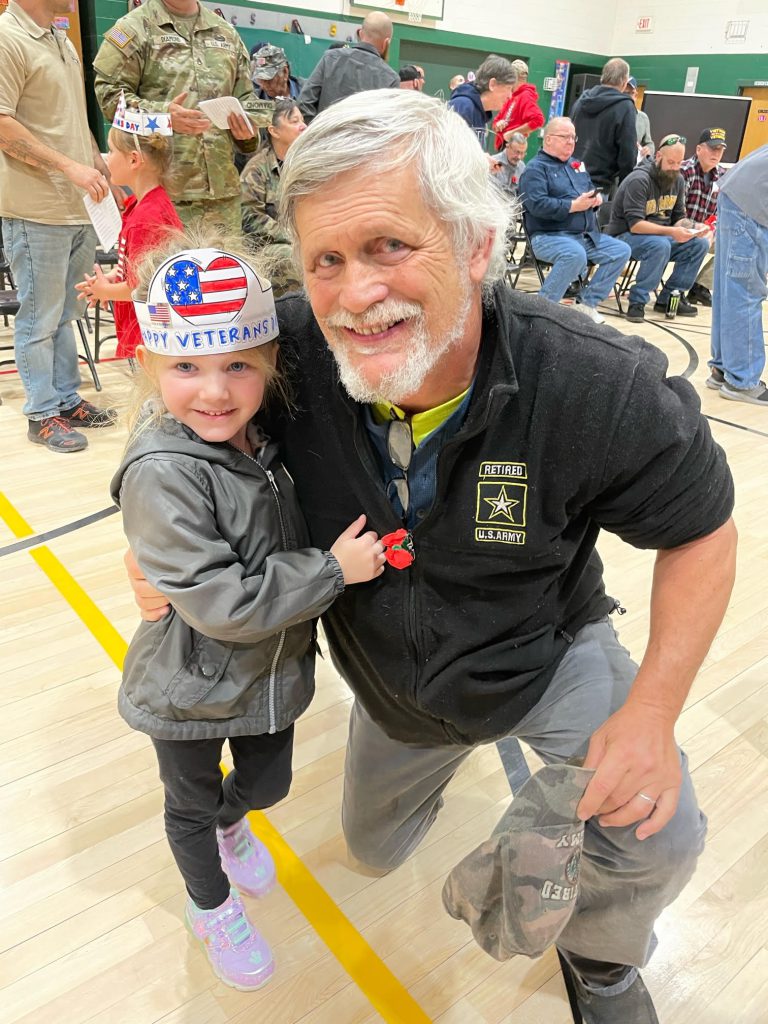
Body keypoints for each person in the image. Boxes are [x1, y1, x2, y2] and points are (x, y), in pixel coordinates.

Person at [127, 90, 737, 1024]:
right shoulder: (287, 354)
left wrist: (653, 711)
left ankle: (605, 963)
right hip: (392, 684)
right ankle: (465, 759)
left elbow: (703, 529)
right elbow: (181, 414)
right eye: (326, 259)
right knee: (372, 851)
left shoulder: (590, 381)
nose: (355, 293)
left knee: (659, 828)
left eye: (389, 247)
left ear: (477, 246)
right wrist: (149, 545)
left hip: (545, 653)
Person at [114, 238, 386, 990]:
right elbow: (222, 600)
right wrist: (333, 570)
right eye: (186, 367)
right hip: (190, 687)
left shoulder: (264, 437)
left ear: (268, 364)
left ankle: (238, 821)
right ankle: (211, 905)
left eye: (237, 364)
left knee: (265, 789)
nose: (214, 391)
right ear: (151, 367)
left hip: (267, 673)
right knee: (190, 806)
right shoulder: (163, 470)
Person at [0, 0, 117, 453]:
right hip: (35, 207)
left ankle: (67, 400)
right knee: (40, 317)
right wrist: (69, 167)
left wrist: (96, 165)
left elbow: (74, 118)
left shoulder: (59, 38)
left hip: (79, 205)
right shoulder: (8, 37)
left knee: (69, 313)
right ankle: (42, 413)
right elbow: (3, 126)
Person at [93, 0, 273, 236]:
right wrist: (163, 117)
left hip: (222, 196)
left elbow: (245, 98)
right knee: (163, 271)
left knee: (225, 273)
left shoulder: (225, 33)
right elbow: (108, 95)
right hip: (164, 195)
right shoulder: (133, 28)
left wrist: (247, 135)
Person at [74, 97, 182, 359]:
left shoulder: (149, 217)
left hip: (152, 331)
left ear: (134, 160)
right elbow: (138, 271)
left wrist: (105, 291)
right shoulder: (142, 206)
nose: (106, 158)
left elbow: (143, 286)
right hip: (146, 329)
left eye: (111, 151)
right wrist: (113, 279)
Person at [520, 117, 631, 324]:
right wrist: (573, 206)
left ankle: (586, 305)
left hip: (583, 235)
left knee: (621, 251)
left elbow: (587, 192)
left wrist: (594, 200)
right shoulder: (535, 169)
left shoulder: (576, 165)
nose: (571, 142)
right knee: (574, 254)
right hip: (548, 236)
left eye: (573, 137)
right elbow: (537, 206)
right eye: (565, 137)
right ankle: (542, 311)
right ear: (549, 139)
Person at [605, 134, 712, 323]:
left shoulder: (677, 180)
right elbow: (636, 225)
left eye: (679, 163)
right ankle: (637, 301)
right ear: (658, 157)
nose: (674, 168)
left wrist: (694, 228)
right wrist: (672, 232)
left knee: (699, 244)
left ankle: (670, 297)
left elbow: (678, 218)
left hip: (659, 238)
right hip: (624, 236)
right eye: (671, 162)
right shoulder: (640, 179)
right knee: (660, 245)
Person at [708, 143, 768, 405]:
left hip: (739, 195)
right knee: (745, 290)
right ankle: (742, 380)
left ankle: (724, 368)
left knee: (729, 288)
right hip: (752, 202)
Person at [241, 99, 305, 295]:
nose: (303, 126)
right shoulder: (257, 169)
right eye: (294, 121)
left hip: (307, 236)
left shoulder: (309, 163)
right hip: (271, 244)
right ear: (274, 131)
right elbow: (249, 217)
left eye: (302, 120)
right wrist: (291, 236)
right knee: (291, 257)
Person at [298, 11, 399, 122]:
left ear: (360, 33)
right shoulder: (390, 79)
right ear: (386, 43)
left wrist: (317, 134)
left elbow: (305, 102)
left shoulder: (331, 58)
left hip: (325, 137)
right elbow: (388, 124)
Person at [571, 57, 637, 194]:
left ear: (603, 77)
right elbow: (628, 154)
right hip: (599, 184)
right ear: (624, 82)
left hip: (570, 177)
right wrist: (625, 190)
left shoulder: (581, 101)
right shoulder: (625, 106)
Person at [680, 128, 728, 307]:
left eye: (720, 150)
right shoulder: (684, 171)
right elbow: (677, 212)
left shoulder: (724, 175)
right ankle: (676, 289)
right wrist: (698, 228)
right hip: (682, 227)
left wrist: (713, 228)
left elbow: (723, 211)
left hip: (708, 230)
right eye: (712, 148)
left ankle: (700, 286)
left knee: (735, 244)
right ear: (699, 149)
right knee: (701, 241)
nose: (716, 153)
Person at [447, 55, 517, 146]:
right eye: (508, 88)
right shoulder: (462, 106)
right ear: (492, 84)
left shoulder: (481, 113)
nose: (510, 96)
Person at [492, 59, 544, 152]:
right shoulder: (511, 96)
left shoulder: (525, 96)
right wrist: (498, 124)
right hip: (503, 145)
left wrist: (511, 133)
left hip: (512, 147)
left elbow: (538, 120)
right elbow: (496, 122)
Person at [625, 77, 654, 159]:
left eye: (631, 93)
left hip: (634, 165)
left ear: (636, 95)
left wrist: (648, 149)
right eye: (624, 93)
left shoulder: (643, 118)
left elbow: (649, 143)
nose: (627, 97)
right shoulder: (612, 114)